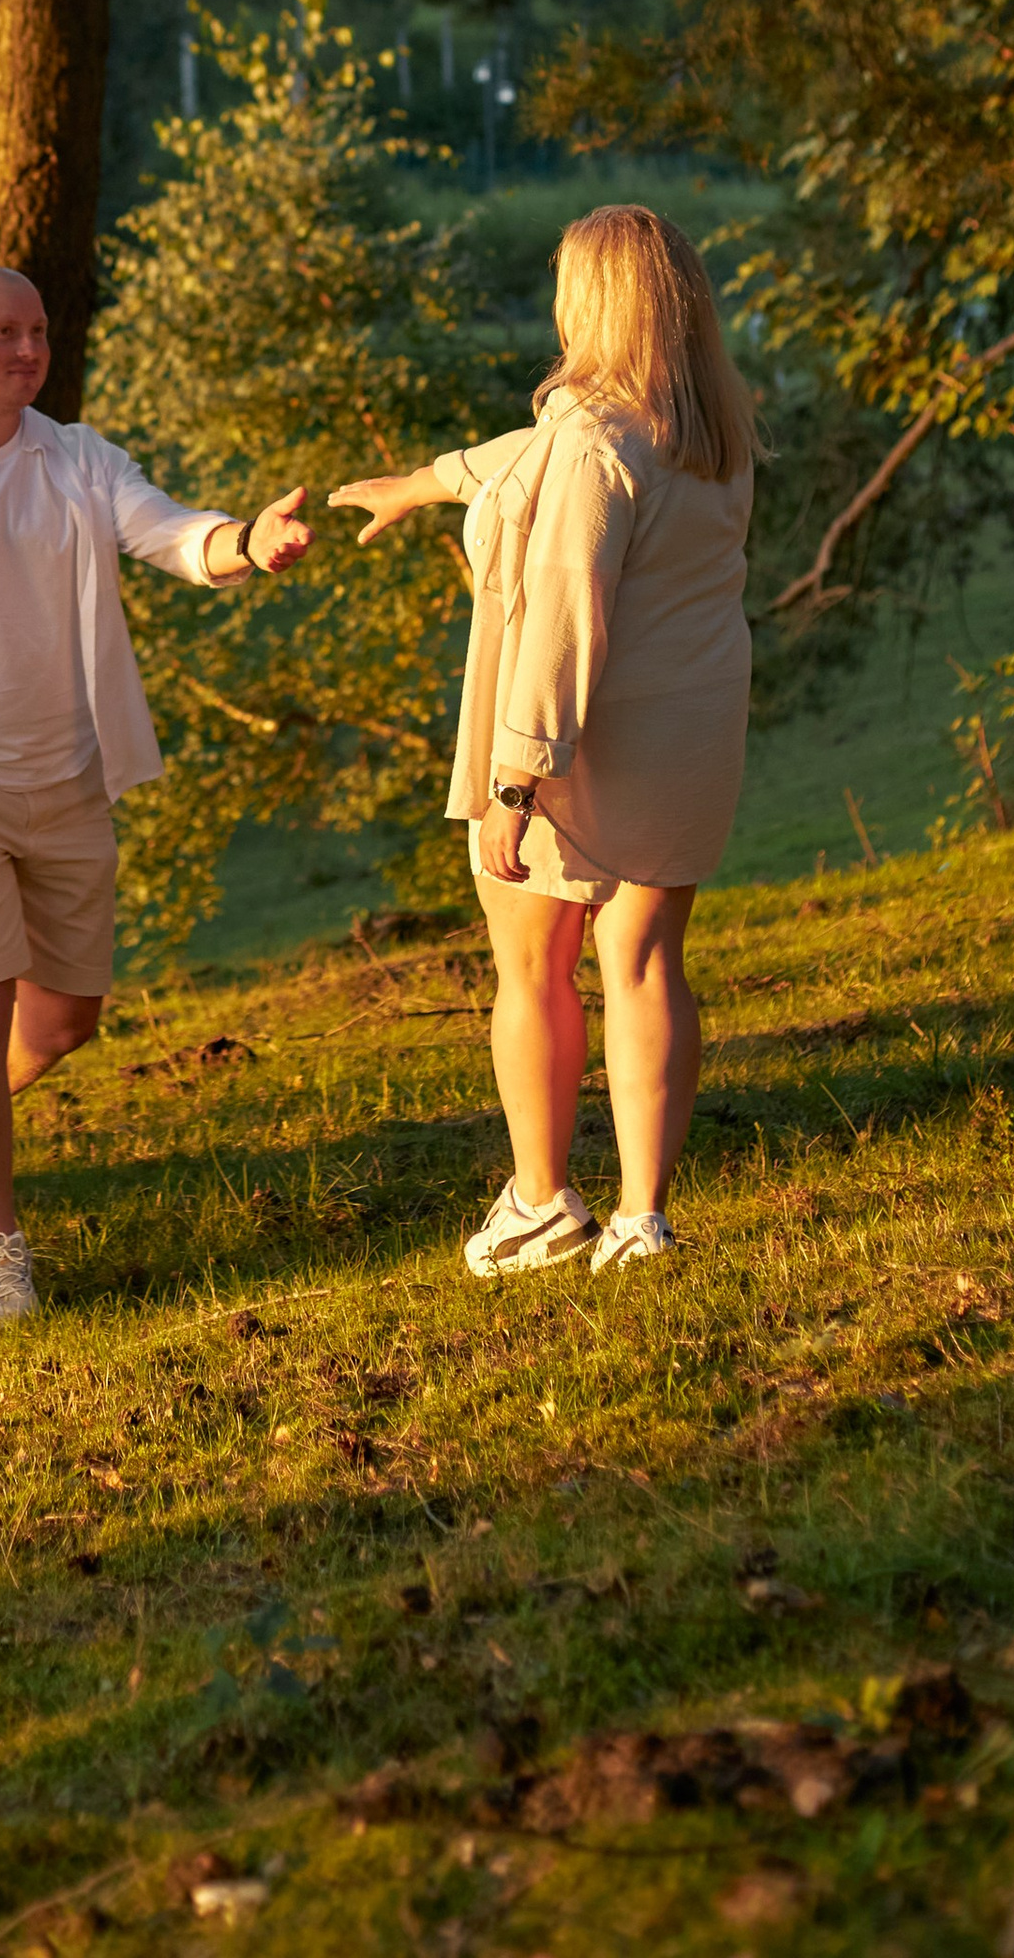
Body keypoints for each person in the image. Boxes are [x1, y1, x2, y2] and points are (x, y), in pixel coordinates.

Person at [0, 263, 311, 1325]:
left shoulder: (78, 461)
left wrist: (245, 546)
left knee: (69, 1017)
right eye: (3, 332)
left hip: (67, 772)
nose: (27, 350)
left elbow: (168, 529)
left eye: (36, 331)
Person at [329, 204, 756, 1279]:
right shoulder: (706, 427)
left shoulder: (593, 441)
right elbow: (523, 460)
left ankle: (538, 1201)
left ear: (591, 300)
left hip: (574, 740)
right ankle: (640, 1219)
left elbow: (565, 614)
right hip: (689, 730)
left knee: (532, 969)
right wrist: (425, 482)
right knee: (647, 964)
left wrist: (517, 773)